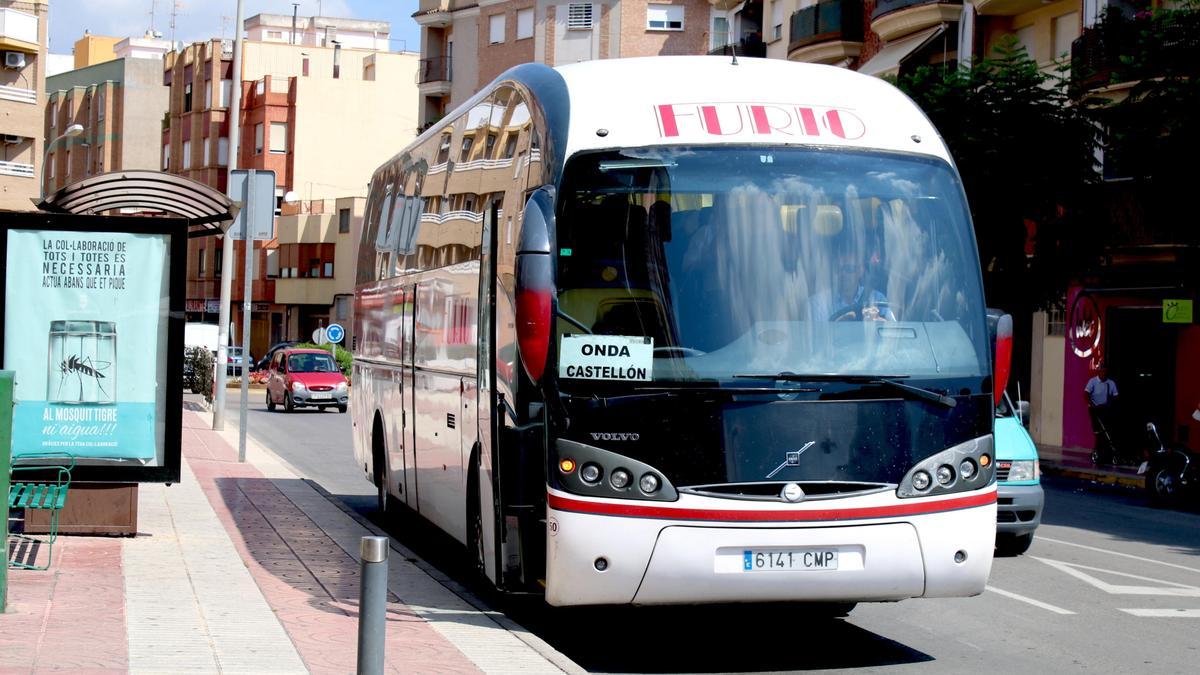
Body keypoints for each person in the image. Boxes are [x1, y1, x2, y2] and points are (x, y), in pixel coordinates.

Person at [811, 248, 894, 322]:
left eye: (849, 269)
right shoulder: (819, 304)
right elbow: (817, 337)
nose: (842, 274)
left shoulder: (877, 299)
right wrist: (836, 327)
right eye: (837, 268)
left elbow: (894, 332)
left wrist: (880, 323)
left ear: (860, 271)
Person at [1084, 365, 1119, 462]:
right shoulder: (1093, 381)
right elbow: (1086, 394)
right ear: (1098, 372)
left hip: (1105, 409)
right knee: (1098, 431)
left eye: (1105, 372)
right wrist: (1091, 404)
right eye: (1102, 372)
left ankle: (1106, 450)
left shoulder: (1110, 383)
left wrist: (1111, 404)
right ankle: (1098, 450)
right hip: (1095, 409)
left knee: (1107, 430)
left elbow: (1116, 396)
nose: (1104, 374)